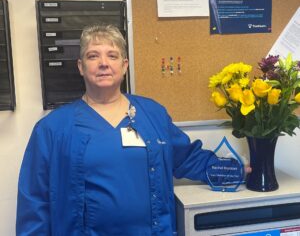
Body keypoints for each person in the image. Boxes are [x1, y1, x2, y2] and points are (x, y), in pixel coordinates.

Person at [16, 24, 248, 235]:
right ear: (81, 67)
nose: (103, 63)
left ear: (124, 65)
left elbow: (187, 158)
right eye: (93, 56)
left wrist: (235, 171)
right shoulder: (53, 129)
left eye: (112, 55)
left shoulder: (153, 114)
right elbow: (34, 203)